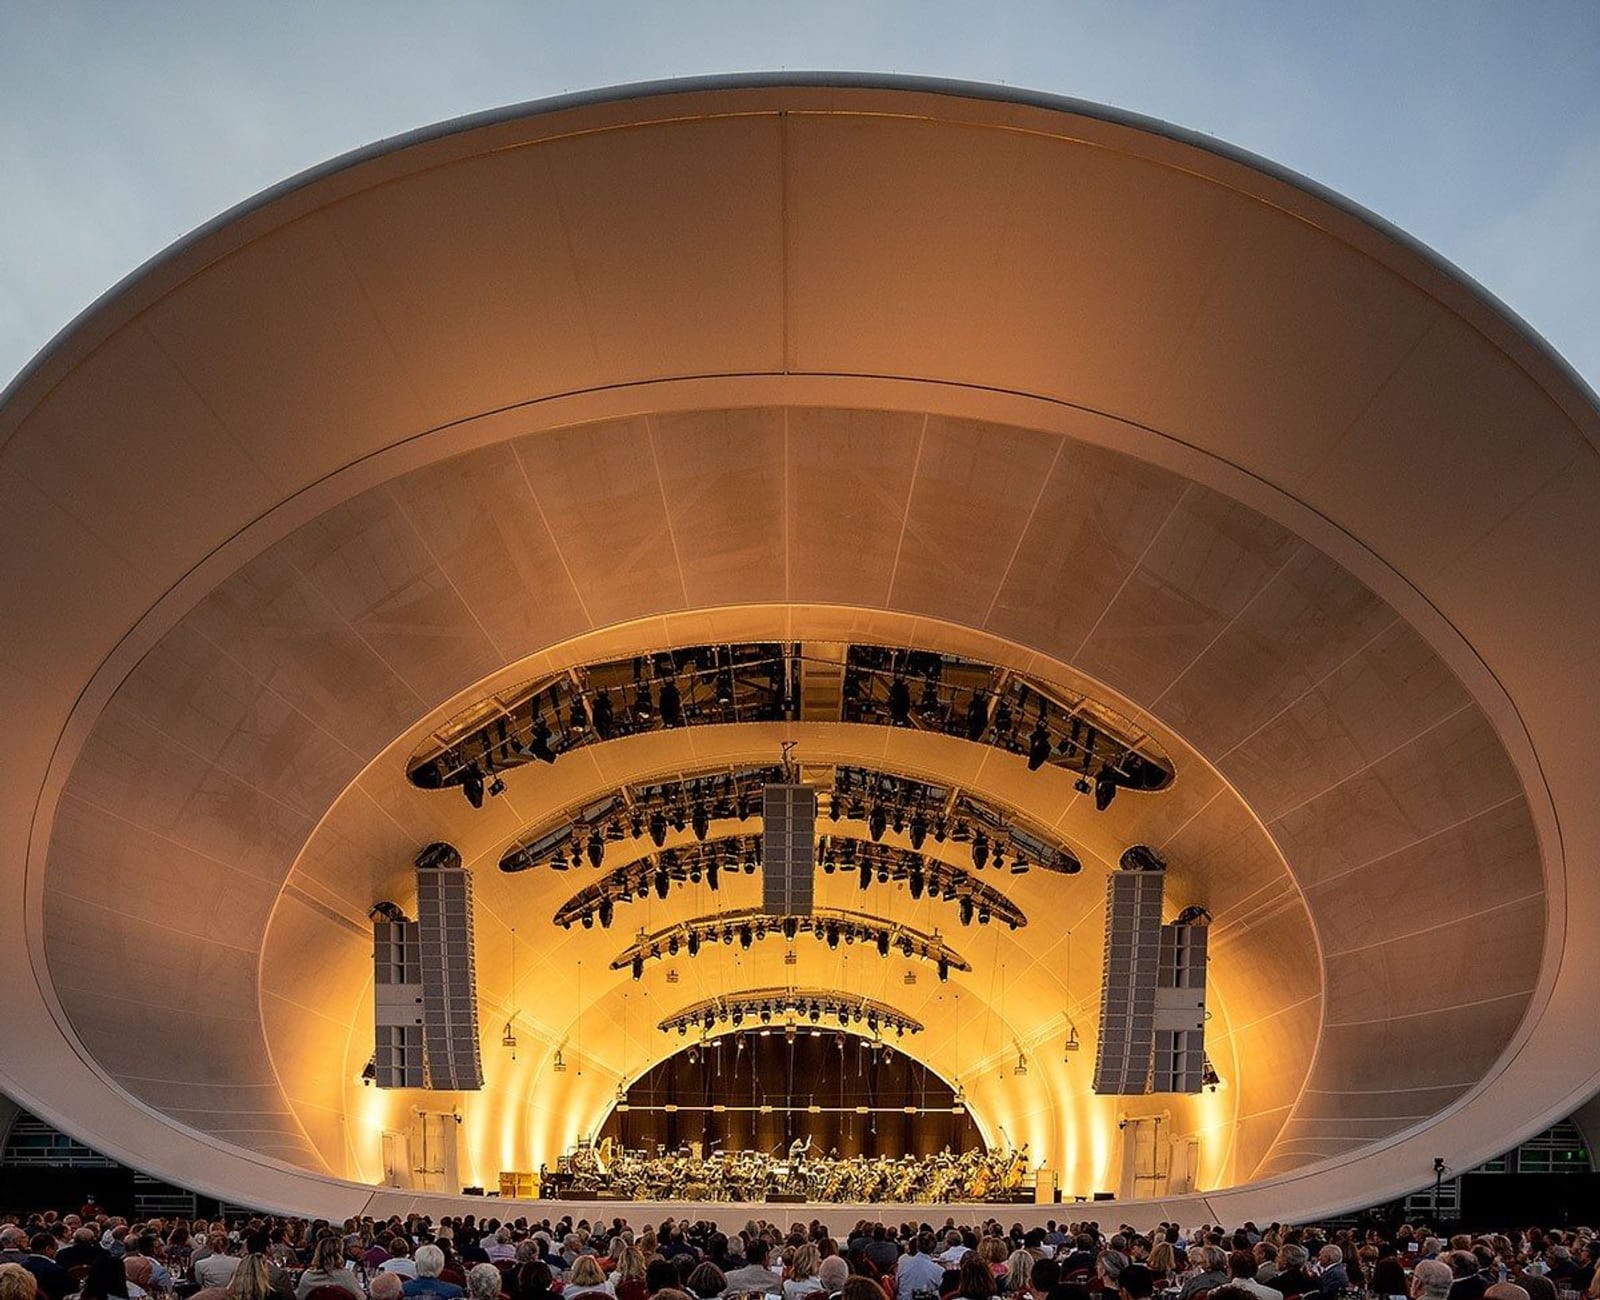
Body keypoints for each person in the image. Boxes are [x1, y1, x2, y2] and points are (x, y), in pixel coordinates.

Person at [296, 1238, 363, 1300]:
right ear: (340, 1254)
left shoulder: (307, 1276)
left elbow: (300, 1297)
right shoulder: (345, 1276)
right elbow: (362, 1297)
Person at [896, 1233, 946, 1300]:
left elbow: (896, 1286)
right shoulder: (938, 1270)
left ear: (917, 1246)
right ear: (934, 1248)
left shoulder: (903, 1264)